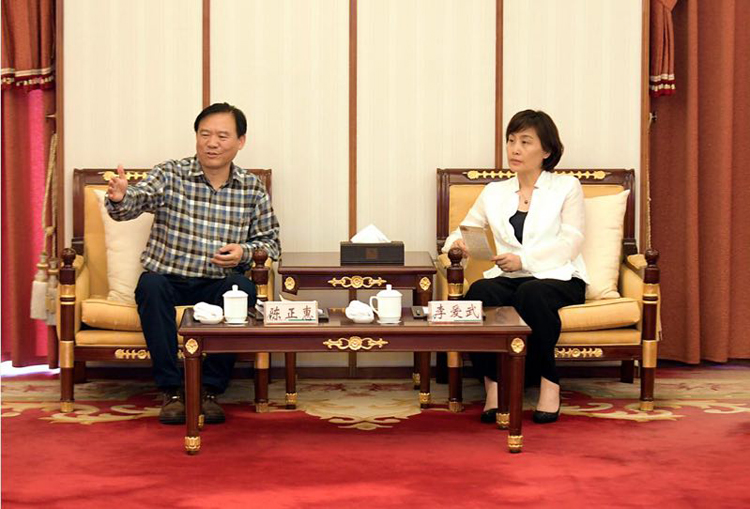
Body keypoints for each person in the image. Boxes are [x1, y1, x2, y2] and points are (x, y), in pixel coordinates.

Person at [105, 102, 281, 425]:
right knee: (150, 285)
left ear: (240, 141)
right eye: (205, 134)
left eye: (222, 136)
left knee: (242, 288)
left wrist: (243, 252)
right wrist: (120, 198)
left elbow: (271, 243)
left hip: (217, 282)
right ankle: (171, 391)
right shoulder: (170, 174)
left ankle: (209, 391)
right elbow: (137, 200)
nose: (212, 143)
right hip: (169, 280)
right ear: (196, 137)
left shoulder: (251, 188)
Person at [443, 109, 587, 424]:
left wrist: (525, 260)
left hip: (559, 276)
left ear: (546, 151)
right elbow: (464, 229)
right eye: (511, 141)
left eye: (525, 141)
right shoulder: (494, 192)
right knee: (480, 293)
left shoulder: (566, 187)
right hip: (510, 277)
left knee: (531, 294)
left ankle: (549, 384)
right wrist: (458, 246)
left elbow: (571, 242)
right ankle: (494, 387)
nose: (515, 149)